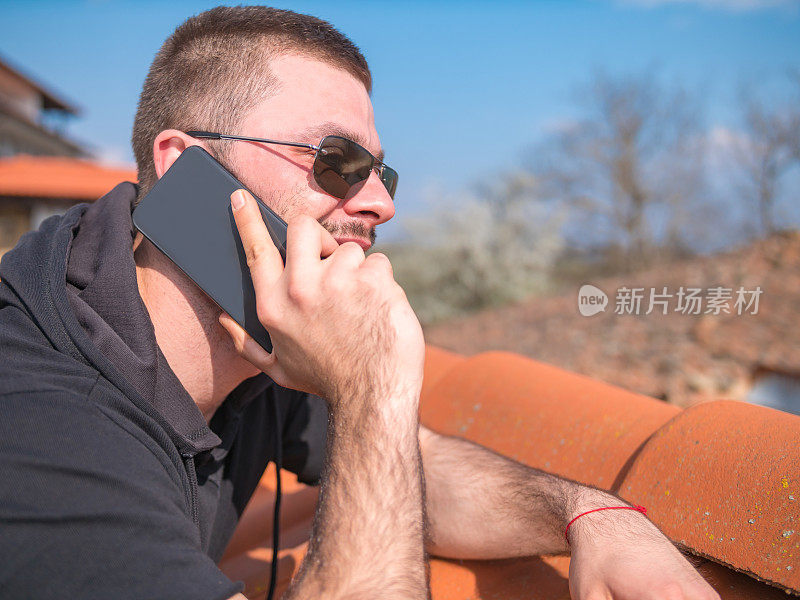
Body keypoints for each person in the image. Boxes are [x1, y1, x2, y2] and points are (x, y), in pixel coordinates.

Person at [0, 6, 720, 600]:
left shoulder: (255, 327)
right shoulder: (43, 425)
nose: (378, 204)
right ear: (186, 168)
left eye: (382, 174)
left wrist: (592, 514)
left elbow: (416, 468)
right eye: (336, 161)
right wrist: (375, 385)